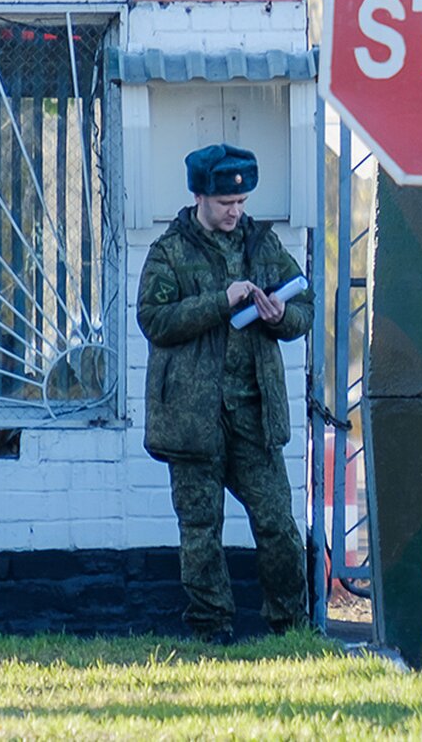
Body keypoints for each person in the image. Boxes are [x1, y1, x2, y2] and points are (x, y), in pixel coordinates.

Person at [137, 143, 313, 643]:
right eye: (224, 203)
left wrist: (283, 318)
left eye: (241, 202)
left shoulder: (263, 245)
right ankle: (211, 632)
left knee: (278, 523)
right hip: (193, 419)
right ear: (199, 196)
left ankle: (290, 629)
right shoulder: (169, 252)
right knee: (201, 531)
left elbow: (306, 304)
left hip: (254, 413)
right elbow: (154, 320)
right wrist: (222, 300)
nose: (236, 211)